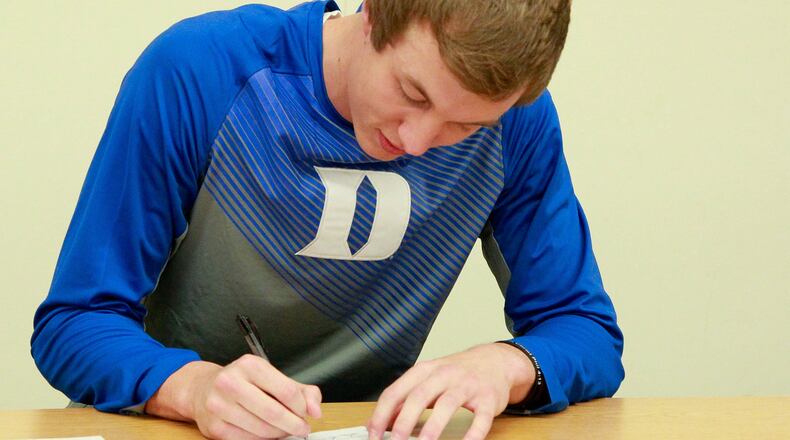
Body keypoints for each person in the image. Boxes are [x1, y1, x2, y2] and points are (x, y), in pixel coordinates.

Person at [31, 0, 624, 439]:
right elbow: (76, 321)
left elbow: (585, 329)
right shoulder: (199, 71)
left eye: (463, 127)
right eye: (412, 93)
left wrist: (508, 364)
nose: (418, 142)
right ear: (371, 17)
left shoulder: (517, 124)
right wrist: (191, 387)